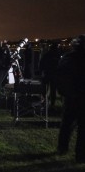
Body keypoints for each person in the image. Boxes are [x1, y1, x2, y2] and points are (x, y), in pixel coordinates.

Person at [56, 34, 85, 163]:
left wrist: (63, 92)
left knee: (67, 124)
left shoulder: (67, 58)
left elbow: (60, 76)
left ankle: (62, 147)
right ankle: (80, 154)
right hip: (81, 96)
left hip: (70, 97)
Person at [39, 43, 61, 108]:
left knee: (44, 89)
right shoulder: (57, 56)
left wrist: (41, 72)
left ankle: (44, 101)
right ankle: (52, 104)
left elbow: (41, 64)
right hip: (53, 75)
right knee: (53, 90)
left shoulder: (46, 55)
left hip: (46, 74)